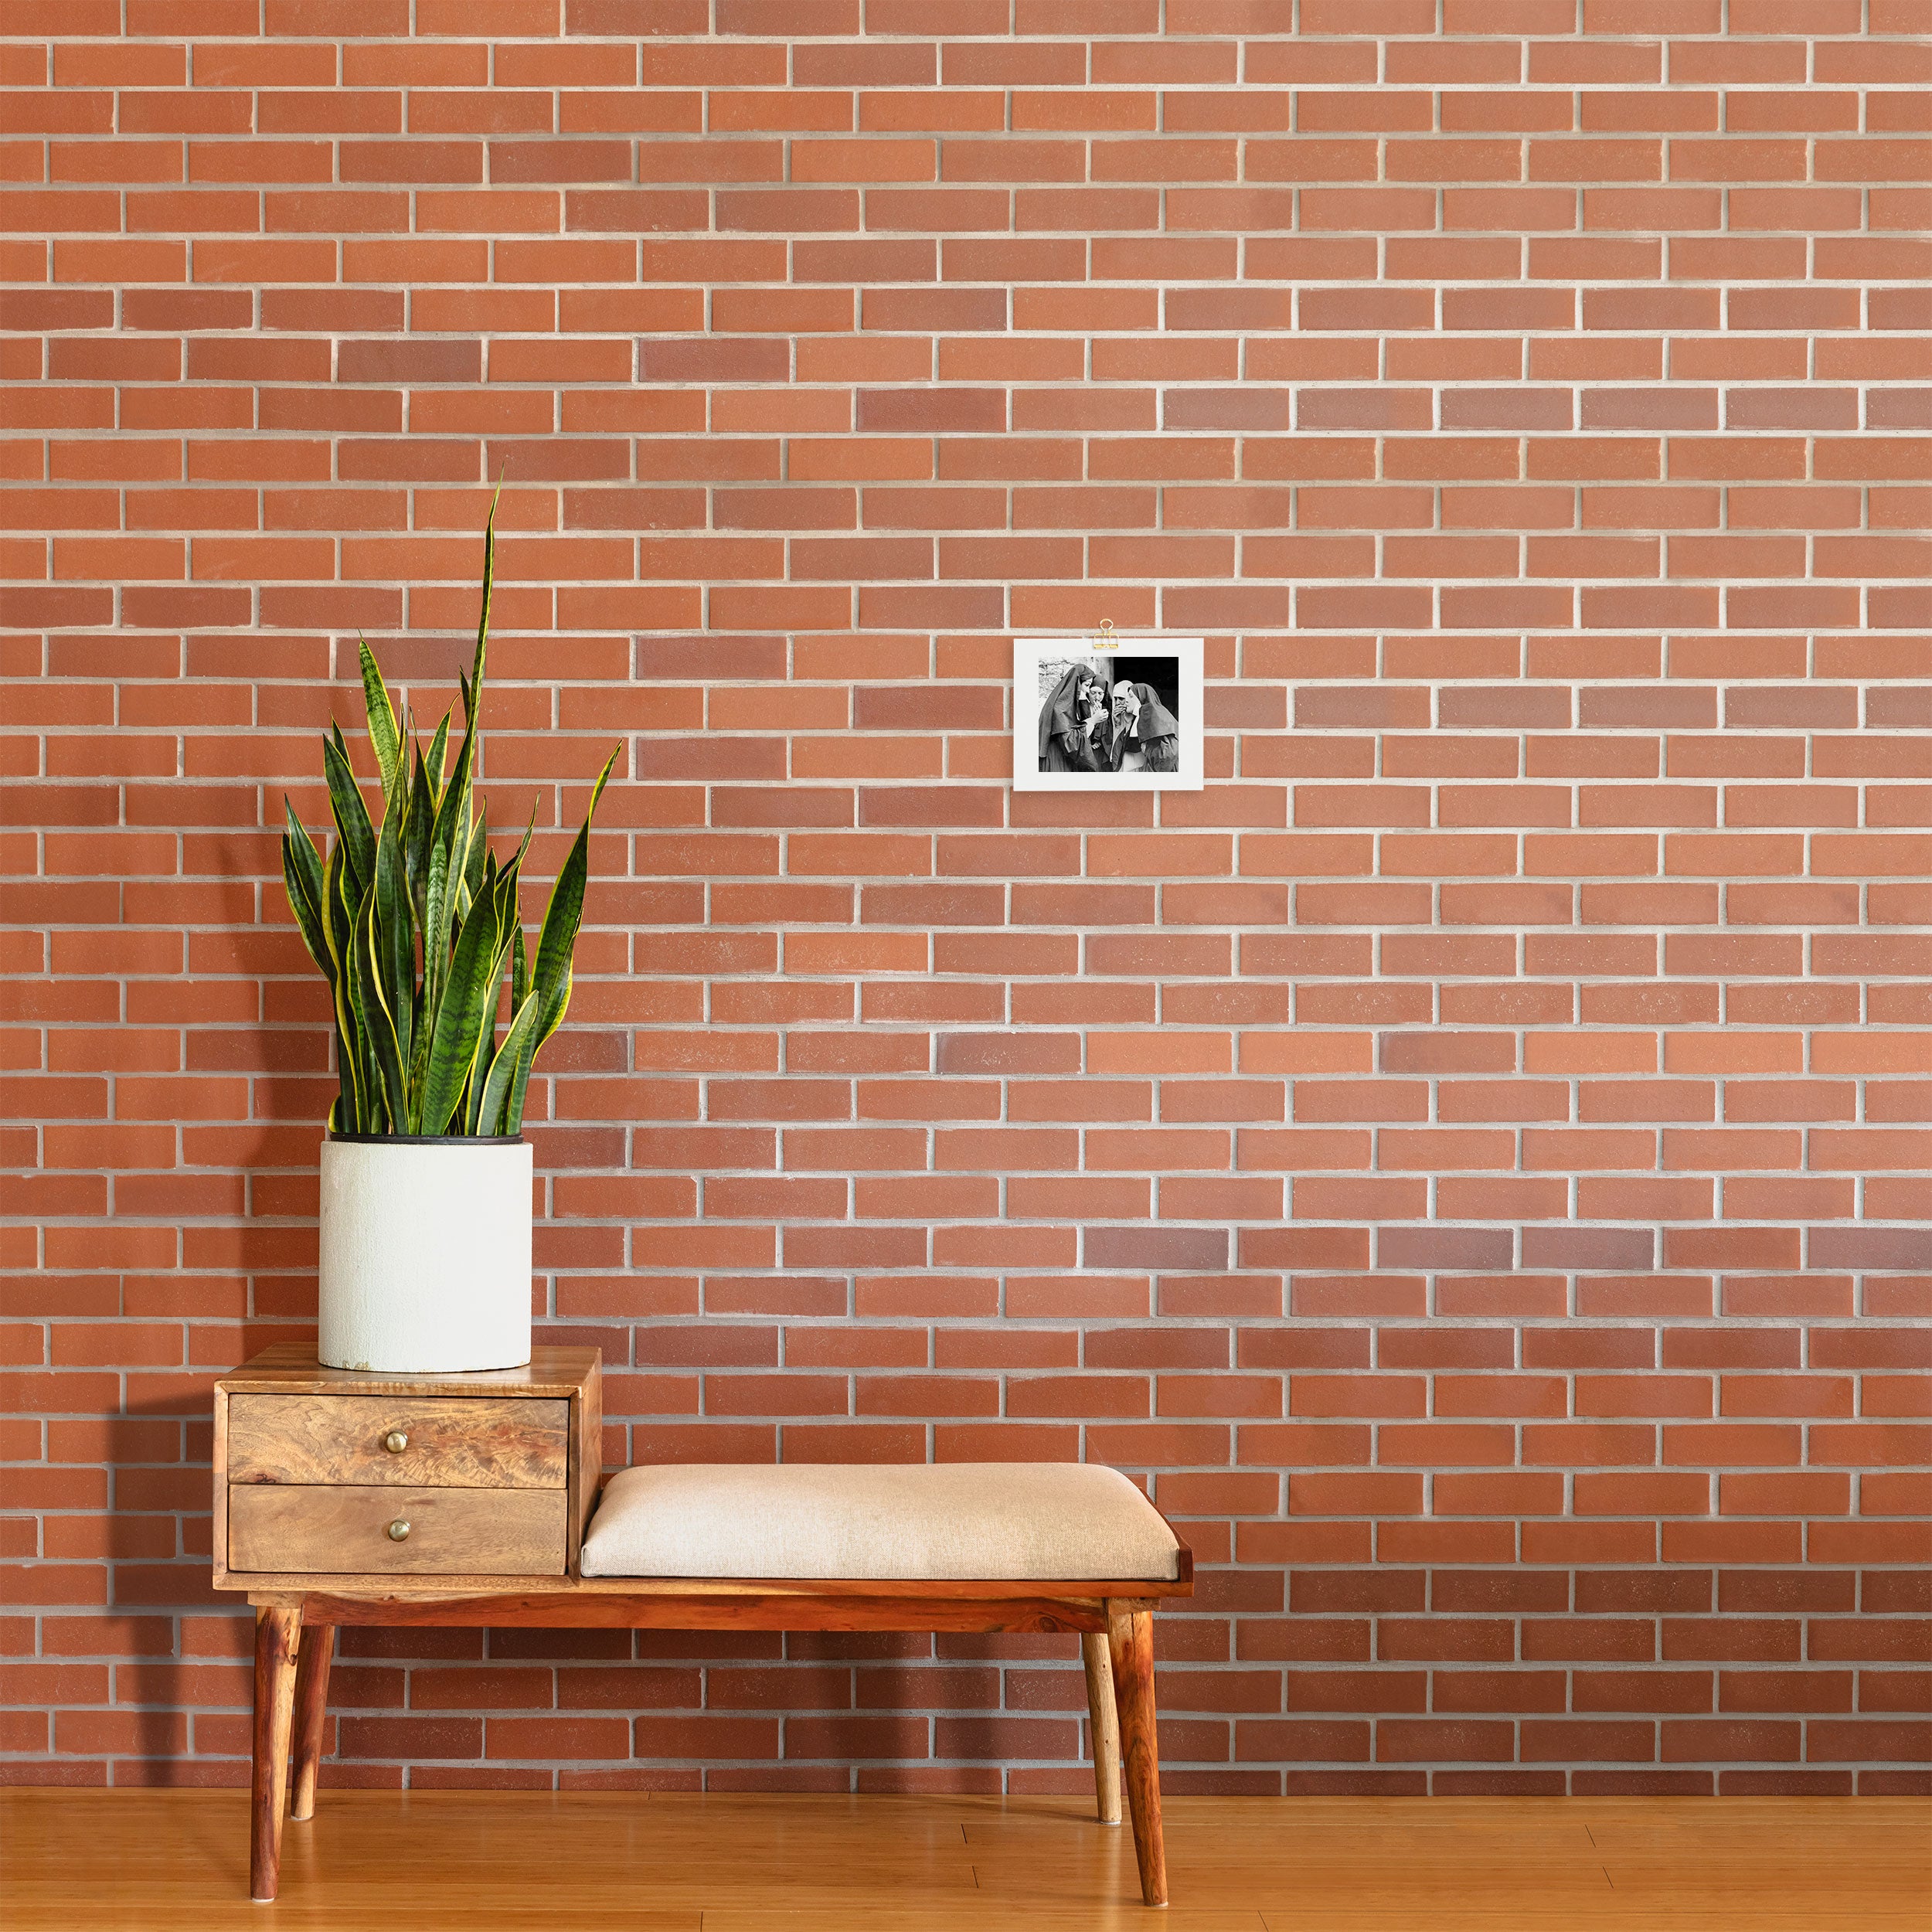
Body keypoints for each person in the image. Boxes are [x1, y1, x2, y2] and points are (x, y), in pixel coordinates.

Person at [1039, 663, 1111, 773]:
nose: (1087, 691)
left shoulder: (1069, 705)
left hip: (1065, 757)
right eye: (1087, 685)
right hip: (1056, 758)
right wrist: (1093, 720)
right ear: (1076, 684)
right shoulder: (1061, 707)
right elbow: (1070, 742)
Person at [1110, 681, 1180, 774]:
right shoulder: (1141, 717)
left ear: (1141, 698)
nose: (1126, 700)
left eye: (1131, 696)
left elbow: (1169, 752)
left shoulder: (1156, 716)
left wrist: (1148, 750)